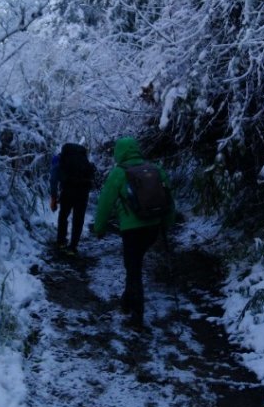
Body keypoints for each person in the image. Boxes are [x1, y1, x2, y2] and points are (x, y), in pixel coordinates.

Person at [93, 136, 175, 327]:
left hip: (131, 230)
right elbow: (169, 199)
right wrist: (168, 222)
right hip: (153, 227)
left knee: (134, 268)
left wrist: (99, 228)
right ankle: (126, 301)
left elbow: (105, 203)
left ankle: (136, 315)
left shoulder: (118, 173)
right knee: (134, 264)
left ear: (118, 153)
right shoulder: (156, 170)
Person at [50, 142, 95, 255]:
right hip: (83, 191)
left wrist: (53, 198)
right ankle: (73, 247)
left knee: (63, 216)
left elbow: (53, 180)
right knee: (78, 219)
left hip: (68, 190)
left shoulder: (58, 159)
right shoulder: (83, 160)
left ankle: (61, 242)